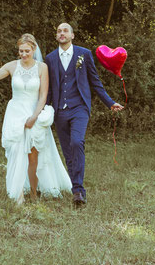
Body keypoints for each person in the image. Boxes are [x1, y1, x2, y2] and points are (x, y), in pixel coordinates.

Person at [0, 34, 72, 204]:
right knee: (17, 153)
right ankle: (17, 194)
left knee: (33, 156)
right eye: (20, 51)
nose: (23, 54)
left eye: (27, 51)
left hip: (34, 113)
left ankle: (33, 194)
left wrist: (34, 117)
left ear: (34, 50)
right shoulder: (12, 66)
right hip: (16, 114)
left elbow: (43, 96)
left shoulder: (42, 68)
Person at [45, 23, 124, 207]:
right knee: (67, 152)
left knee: (76, 142)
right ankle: (76, 190)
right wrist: (44, 109)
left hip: (79, 107)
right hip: (59, 110)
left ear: (72, 35)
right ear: (57, 36)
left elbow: (95, 82)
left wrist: (110, 102)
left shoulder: (84, 54)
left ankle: (79, 190)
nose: (61, 33)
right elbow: (49, 88)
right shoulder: (50, 58)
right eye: (59, 31)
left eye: (65, 30)